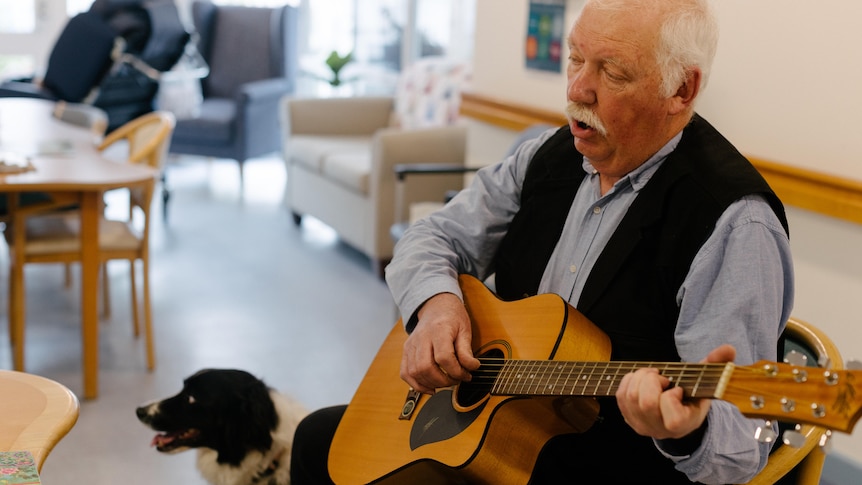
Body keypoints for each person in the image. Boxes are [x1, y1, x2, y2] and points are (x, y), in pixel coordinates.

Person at [290, 0, 794, 483]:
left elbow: (742, 440)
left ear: (681, 89)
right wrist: (437, 306)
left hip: (614, 465)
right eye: (574, 58)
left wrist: (687, 431)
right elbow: (432, 234)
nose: (577, 89)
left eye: (612, 73)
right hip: (501, 435)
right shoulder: (549, 156)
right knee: (319, 443)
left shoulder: (736, 223)